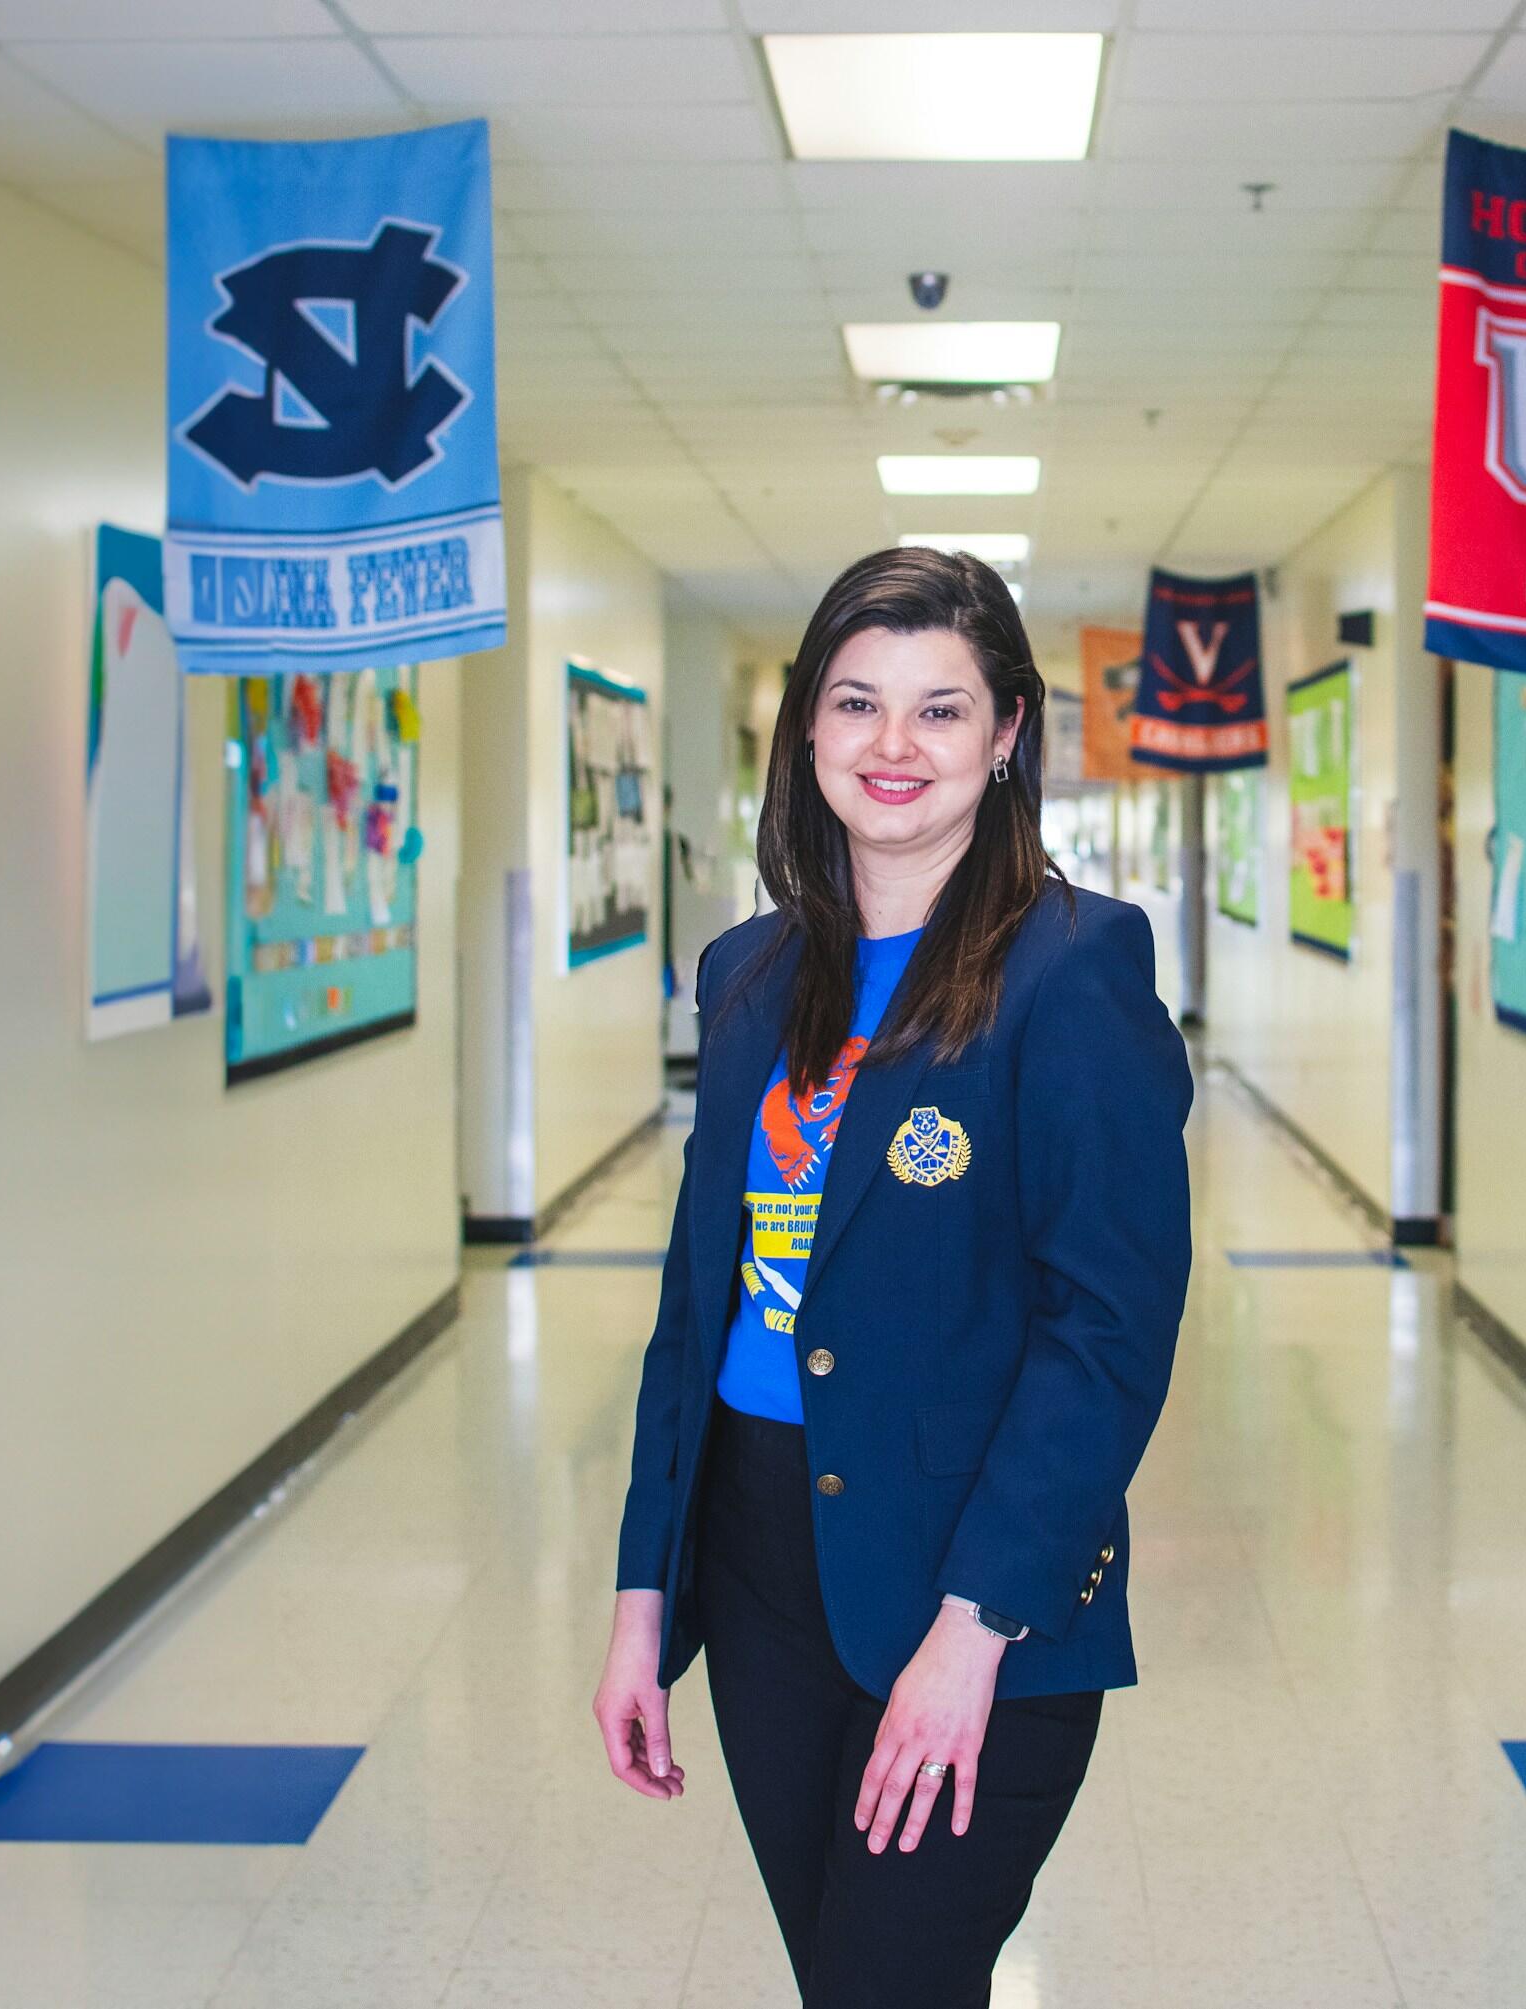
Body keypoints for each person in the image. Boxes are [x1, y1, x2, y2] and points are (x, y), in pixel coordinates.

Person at [593, 547, 1194, 2006]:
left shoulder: (1074, 970)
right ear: (807, 729)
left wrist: (973, 1628)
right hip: (760, 1554)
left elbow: (1105, 1332)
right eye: (857, 702)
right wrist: (640, 1597)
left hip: (975, 1575)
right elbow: (697, 1309)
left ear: (1006, 736)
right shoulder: (746, 975)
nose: (893, 744)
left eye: (941, 708)